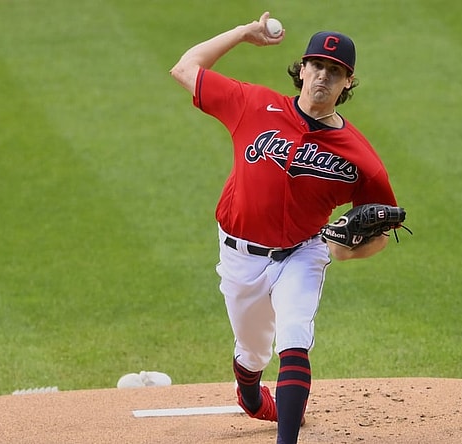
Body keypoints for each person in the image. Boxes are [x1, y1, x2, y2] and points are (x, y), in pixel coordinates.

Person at [170, 11, 400, 444]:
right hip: (239, 255)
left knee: (294, 336)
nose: (323, 78)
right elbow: (185, 68)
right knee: (253, 352)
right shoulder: (253, 104)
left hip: (302, 252)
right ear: (303, 69)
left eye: (336, 72)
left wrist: (348, 251)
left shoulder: (361, 157)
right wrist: (242, 33)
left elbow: (381, 230)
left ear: (347, 82)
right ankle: (251, 394)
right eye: (317, 66)